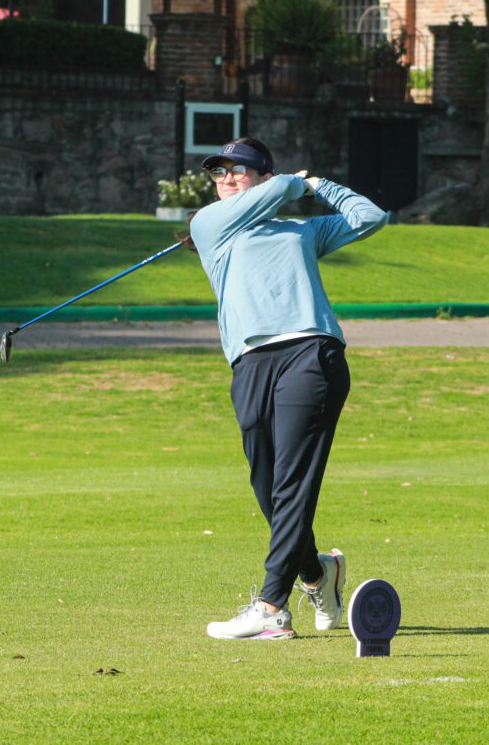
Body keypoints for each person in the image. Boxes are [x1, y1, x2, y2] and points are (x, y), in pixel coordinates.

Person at [188, 137, 388, 640]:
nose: (227, 179)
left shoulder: (301, 229)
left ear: (262, 175)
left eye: (239, 170)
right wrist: (291, 183)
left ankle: (272, 607)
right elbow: (270, 193)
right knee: (267, 486)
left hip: (310, 352)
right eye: (220, 173)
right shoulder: (209, 227)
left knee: (293, 481)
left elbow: (370, 217)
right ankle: (319, 574)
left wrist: (318, 185)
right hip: (251, 362)